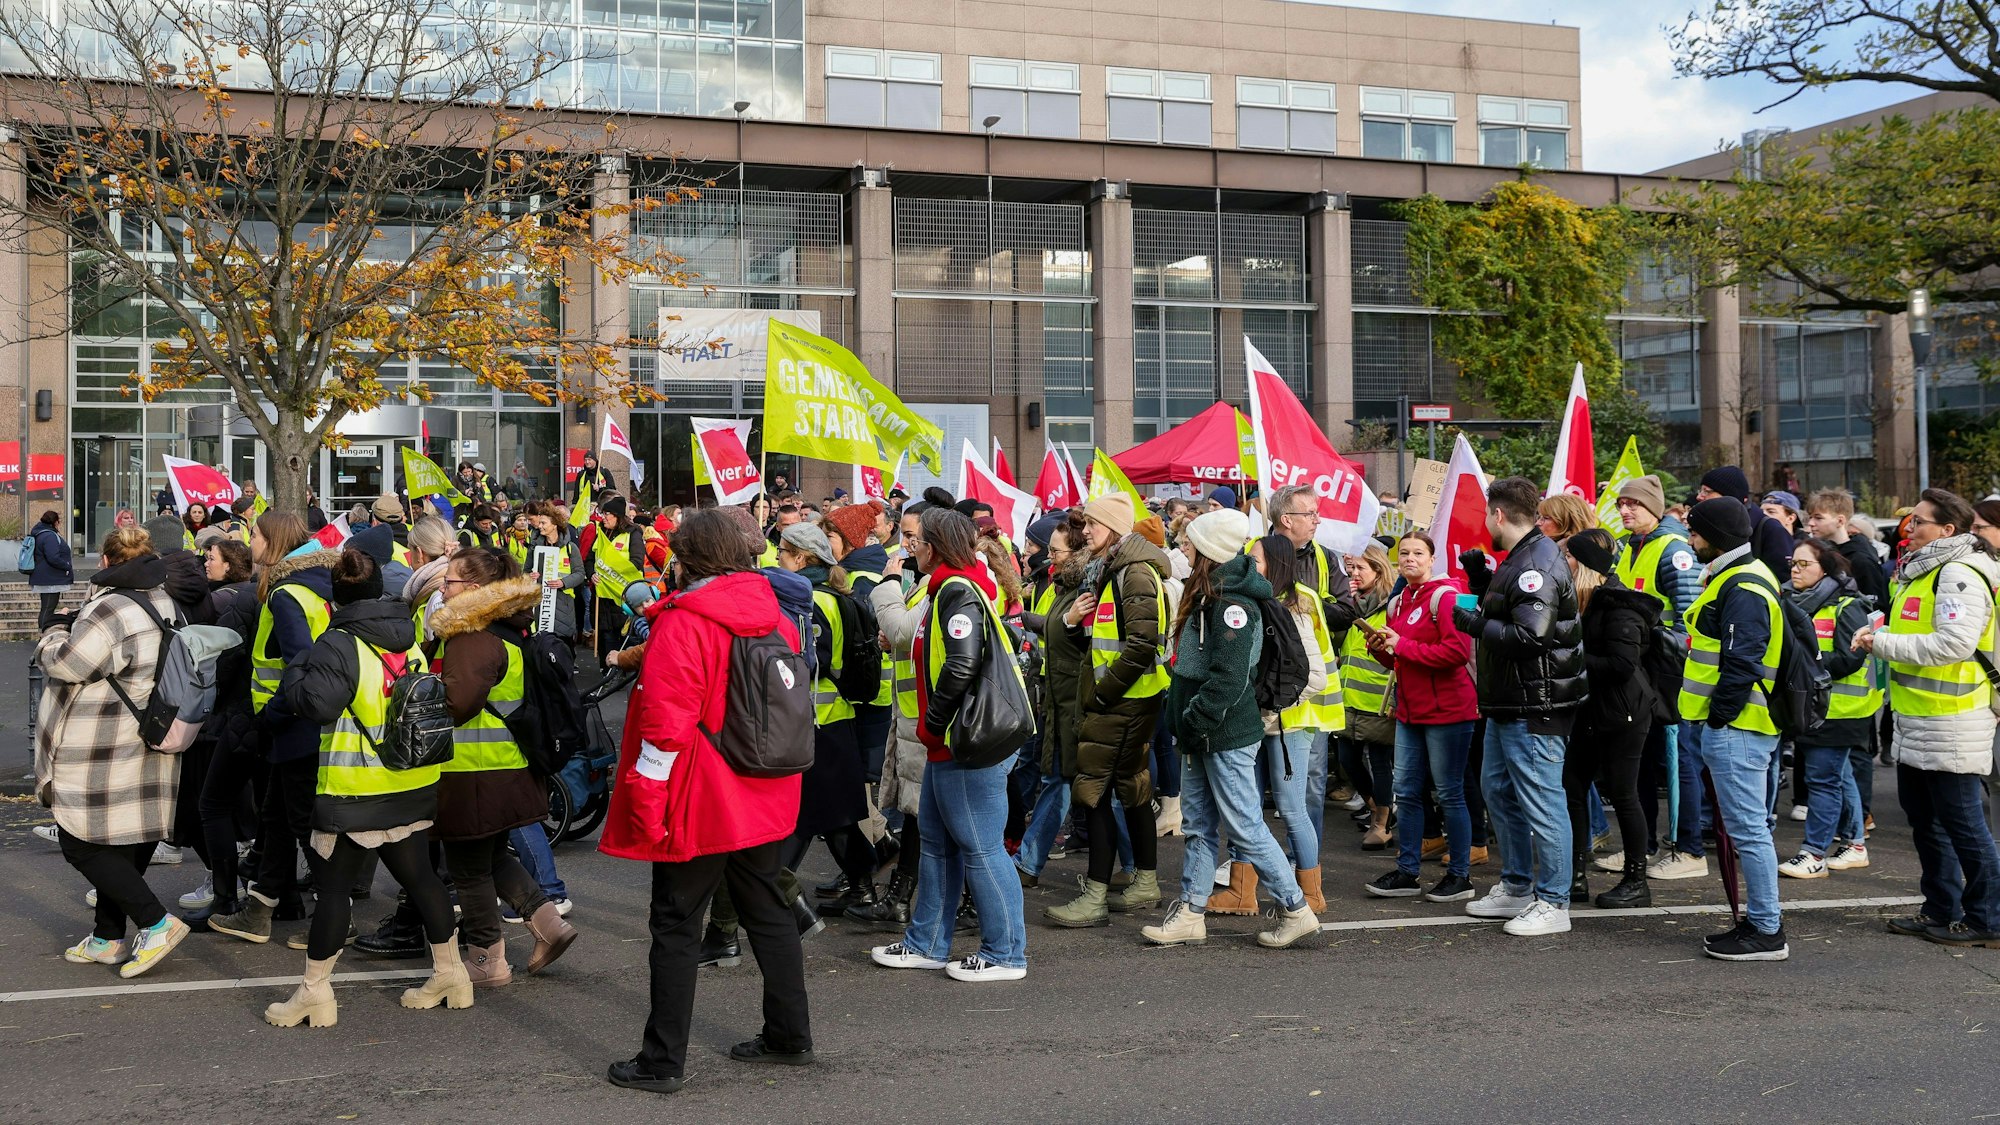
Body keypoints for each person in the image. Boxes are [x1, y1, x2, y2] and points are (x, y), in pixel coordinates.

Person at [598, 510, 813, 1093]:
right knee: (769, 911)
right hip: (766, 785)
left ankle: (662, 1061)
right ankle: (789, 1035)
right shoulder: (777, 615)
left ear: (688, 556)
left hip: (703, 792)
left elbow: (664, 726)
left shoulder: (685, 622)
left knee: (675, 924)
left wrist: (646, 799)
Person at [263, 549, 470, 1026]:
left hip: (355, 788)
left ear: (336, 595)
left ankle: (315, 993)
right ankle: (451, 973)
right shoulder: (409, 633)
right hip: (412, 777)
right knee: (421, 879)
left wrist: (296, 667)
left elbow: (317, 706)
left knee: (333, 891)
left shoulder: (338, 642)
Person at [1140, 509, 1318, 950]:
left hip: (1221, 732)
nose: (1183, 550)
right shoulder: (1215, 595)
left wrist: (1195, 718)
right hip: (1205, 731)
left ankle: (1296, 909)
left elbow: (1229, 677)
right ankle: (1191, 912)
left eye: (1190, 545)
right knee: (1200, 824)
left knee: (1244, 825)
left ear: (1208, 554)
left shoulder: (1231, 604)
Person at [869, 506, 1030, 981]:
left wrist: (933, 725)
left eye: (916, 541)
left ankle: (1005, 954)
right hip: (949, 744)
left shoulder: (956, 591)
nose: (910, 548)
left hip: (966, 744)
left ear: (933, 547)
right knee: (938, 847)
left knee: (981, 849)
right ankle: (927, 944)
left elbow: (961, 665)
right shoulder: (944, 588)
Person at [35, 526, 191, 978]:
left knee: (79, 841)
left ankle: (156, 923)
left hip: (101, 740)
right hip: (148, 730)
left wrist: (52, 631)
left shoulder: (110, 608)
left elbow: (68, 664)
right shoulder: (163, 599)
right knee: (123, 837)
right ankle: (108, 936)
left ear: (105, 562)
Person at [425, 547, 578, 985]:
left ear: (473, 589)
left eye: (450, 581)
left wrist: (424, 690)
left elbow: (458, 702)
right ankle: (549, 925)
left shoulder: (472, 636)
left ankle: (486, 960)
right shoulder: (503, 628)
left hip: (473, 772)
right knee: (491, 857)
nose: (442, 586)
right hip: (503, 768)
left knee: (469, 869)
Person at [1856, 488, 2000, 948]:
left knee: (1965, 828)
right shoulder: (1922, 571)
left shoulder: (1957, 573)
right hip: (1919, 720)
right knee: (1926, 822)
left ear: (1948, 530)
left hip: (1954, 721)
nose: (1908, 527)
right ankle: (1942, 910)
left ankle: (1988, 920)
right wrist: (1883, 630)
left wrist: (1883, 644)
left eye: (1919, 521)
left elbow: (1953, 644)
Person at [1453, 476, 1585, 937]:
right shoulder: (1525, 556)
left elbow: (1531, 635)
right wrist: (1483, 582)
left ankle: (1554, 901)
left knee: (1543, 804)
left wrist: (1472, 623)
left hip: (1536, 704)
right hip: (1510, 702)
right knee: (1501, 793)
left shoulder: (1536, 561)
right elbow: (1519, 611)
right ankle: (1517, 886)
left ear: (1498, 515)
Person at [209, 514, 340, 946]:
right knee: (279, 820)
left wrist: (273, 716)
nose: (251, 541)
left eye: (257, 535)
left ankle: (339, 917)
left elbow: (300, 664)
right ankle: (258, 912)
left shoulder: (286, 593)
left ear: (275, 542)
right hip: (301, 723)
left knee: (302, 823)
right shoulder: (312, 583)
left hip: (295, 724)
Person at [1043, 492, 1167, 926]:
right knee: (1130, 788)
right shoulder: (1111, 568)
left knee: (1092, 791)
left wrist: (1101, 695)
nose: (1086, 531)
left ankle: (1094, 896)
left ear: (1113, 527)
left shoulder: (1131, 571)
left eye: (1094, 524)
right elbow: (1103, 642)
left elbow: (1141, 644)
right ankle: (1145, 881)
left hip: (1120, 700)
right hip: (1125, 698)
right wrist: (1075, 624)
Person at [1677, 496, 1790, 961]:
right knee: (1749, 828)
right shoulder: (1738, 575)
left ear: (1717, 537)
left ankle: (1766, 930)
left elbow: (1742, 661)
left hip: (1739, 725)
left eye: (1697, 533)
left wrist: (1719, 717)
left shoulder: (1742, 584)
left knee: (1748, 831)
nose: (1691, 539)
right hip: (1737, 723)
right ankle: (1759, 924)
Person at [1363, 531, 1479, 901]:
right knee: (1407, 793)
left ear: (1432, 559)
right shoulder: (1399, 602)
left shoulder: (1447, 597)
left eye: (1418, 553)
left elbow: (1457, 652)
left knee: (1449, 793)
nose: (1409, 559)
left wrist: (1403, 645)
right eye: (1404, 554)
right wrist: (1380, 648)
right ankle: (1408, 871)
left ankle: (1460, 875)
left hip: (1449, 711)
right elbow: (1400, 660)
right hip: (1410, 711)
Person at [774, 522, 879, 918]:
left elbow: (807, 662)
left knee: (806, 812)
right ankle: (863, 884)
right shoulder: (830, 595)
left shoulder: (811, 601)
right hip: (831, 716)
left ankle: (774, 886)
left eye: (783, 551)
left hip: (818, 718)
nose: (777, 557)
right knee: (835, 812)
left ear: (802, 558)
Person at [1609, 474, 1707, 881]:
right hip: (1639, 672)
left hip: (1669, 675)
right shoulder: (1632, 547)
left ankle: (1688, 850)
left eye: (1634, 503)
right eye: (1621, 504)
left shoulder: (1673, 550)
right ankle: (1643, 844)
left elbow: (1690, 620)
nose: (1625, 510)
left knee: (1678, 759)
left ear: (1655, 507)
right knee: (1643, 760)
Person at [1264, 483, 1362, 863]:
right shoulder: (1255, 551)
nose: (1318, 520)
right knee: (1254, 784)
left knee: (1310, 782)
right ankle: (1249, 865)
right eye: (1311, 514)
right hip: (1264, 688)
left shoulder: (1326, 557)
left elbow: (1347, 610)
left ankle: (1305, 863)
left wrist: (1306, 603)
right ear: (1287, 519)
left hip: (1310, 692)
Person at [1561, 529, 1657, 909]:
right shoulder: (1581, 602)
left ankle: (1636, 881)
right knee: (1572, 786)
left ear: (1584, 566)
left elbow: (1622, 665)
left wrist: (1572, 658)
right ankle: (1575, 876)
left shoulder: (1619, 606)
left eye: (1568, 557)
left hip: (1623, 713)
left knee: (1623, 793)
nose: (1561, 563)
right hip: (1590, 709)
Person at [1250, 533, 1340, 914]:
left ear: (1275, 563)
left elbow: (1313, 677)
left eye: (1254, 559)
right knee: (1249, 809)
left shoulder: (1297, 603)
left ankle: (1312, 895)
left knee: (1291, 809)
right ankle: (1243, 892)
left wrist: (1271, 710)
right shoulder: (1265, 598)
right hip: (1272, 723)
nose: (1247, 564)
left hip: (1291, 725)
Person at [1778, 538, 1876, 880]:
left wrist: (1804, 664)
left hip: (1841, 710)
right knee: (1839, 776)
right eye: (1794, 562)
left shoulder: (1847, 606)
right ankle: (1854, 844)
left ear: (1826, 569)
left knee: (1822, 780)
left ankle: (1814, 853)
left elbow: (1851, 657)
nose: (1795, 569)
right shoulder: (1795, 601)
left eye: (1804, 564)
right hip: (1820, 708)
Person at [183, 538, 262, 930]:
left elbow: (224, 662)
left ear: (230, 565)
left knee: (211, 805)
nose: (206, 563)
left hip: (238, 717)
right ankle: (278, 897)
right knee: (275, 815)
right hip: (264, 717)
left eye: (211, 558)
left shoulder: (233, 602)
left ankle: (226, 899)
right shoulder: (262, 595)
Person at [1017, 512, 1089, 886]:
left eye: (1055, 550)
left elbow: (1068, 636)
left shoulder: (1081, 587)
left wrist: (1047, 623)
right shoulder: (1063, 583)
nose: (1048, 556)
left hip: (1074, 698)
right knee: (1060, 779)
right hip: (1059, 693)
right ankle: (1135, 870)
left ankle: (1029, 861)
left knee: (1062, 780)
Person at [1337, 543, 1397, 851]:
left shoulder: (1390, 607)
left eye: (1360, 568)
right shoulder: (1351, 604)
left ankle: (1382, 822)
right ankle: (1378, 808)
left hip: (1378, 699)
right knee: (1347, 759)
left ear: (1378, 569)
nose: (1353, 574)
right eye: (1351, 568)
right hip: (1348, 698)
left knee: (1379, 761)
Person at [586, 496, 664, 661]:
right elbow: (590, 559)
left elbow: (636, 562)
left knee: (619, 636)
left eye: (607, 514)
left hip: (623, 595)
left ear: (618, 516)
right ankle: (604, 668)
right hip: (601, 595)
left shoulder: (633, 533)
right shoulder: (601, 533)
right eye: (603, 513)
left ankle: (619, 668)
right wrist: (591, 573)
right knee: (603, 636)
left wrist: (609, 570)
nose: (603, 517)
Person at [1697, 466, 1794, 579]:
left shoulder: (1771, 530)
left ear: (1729, 497)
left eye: (1706, 491)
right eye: (1700, 490)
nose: (1699, 497)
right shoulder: (1714, 528)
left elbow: (1785, 581)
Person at [1809, 488, 1891, 611]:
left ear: (1840, 520)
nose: (1811, 523)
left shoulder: (1862, 560)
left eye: (1818, 518)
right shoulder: (1821, 553)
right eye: (1810, 517)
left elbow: (1876, 608)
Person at [27, 509, 73, 630]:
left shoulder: (40, 533)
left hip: (45, 577)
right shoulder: (49, 536)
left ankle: (43, 632)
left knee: (47, 607)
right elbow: (53, 557)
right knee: (48, 607)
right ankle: (43, 633)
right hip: (50, 578)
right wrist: (66, 565)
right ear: (56, 522)